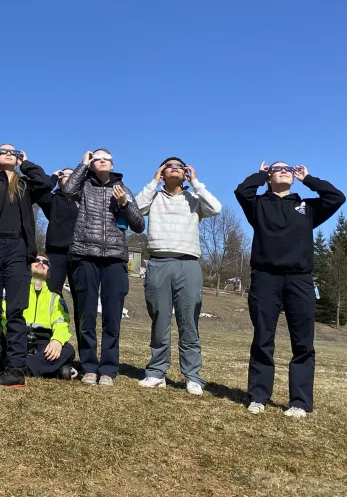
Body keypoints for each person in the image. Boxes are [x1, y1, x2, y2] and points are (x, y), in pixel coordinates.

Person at [236, 162, 345, 418]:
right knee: (263, 338)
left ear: (294, 178)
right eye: (276, 169)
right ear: (269, 177)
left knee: (303, 343)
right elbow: (242, 191)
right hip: (265, 279)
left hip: (300, 280)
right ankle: (258, 397)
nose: (283, 170)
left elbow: (336, 197)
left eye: (288, 168)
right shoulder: (258, 205)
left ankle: (300, 402)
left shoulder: (307, 207)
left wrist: (309, 179)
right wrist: (261, 175)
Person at [134, 158, 222, 396]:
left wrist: (196, 182)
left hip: (188, 263)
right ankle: (156, 372)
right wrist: (153, 181)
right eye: (168, 165)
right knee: (160, 319)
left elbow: (216, 208)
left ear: (186, 173)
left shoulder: (194, 199)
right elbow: (136, 209)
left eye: (179, 166)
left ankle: (193, 376)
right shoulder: (154, 197)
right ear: (161, 172)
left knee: (189, 321)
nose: (174, 167)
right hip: (159, 262)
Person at [0, 145, 52, 387]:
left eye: (12, 151)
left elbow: (46, 183)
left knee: (15, 311)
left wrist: (26, 164)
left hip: (18, 249)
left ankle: (15, 368)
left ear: (18, 157)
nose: (7, 153)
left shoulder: (25, 186)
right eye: (2, 150)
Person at [61, 149, 145, 386]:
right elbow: (67, 190)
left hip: (115, 258)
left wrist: (124, 203)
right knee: (86, 314)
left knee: (112, 317)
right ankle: (88, 366)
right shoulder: (83, 186)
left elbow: (139, 225)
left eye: (106, 158)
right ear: (91, 162)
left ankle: (108, 369)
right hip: (86, 254)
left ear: (112, 163)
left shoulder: (123, 189)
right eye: (97, 158)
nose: (102, 161)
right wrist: (82, 165)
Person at [36, 167, 84, 357]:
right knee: (49, 300)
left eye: (71, 174)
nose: (67, 177)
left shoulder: (84, 200)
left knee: (82, 306)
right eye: (63, 174)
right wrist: (53, 177)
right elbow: (39, 192)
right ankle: (44, 347)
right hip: (55, 255)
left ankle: (85, 357)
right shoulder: (52, 200)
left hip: (81, 254)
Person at [4, 255, 76, 379]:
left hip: (43, 342)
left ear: (49, 273)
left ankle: (23, 366)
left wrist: (57, 341)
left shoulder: (56, 298)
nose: (40, 263)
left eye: (45, 262)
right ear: (28, 267)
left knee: (68, 350)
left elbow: (62, 323)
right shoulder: (15, 291)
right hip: (17, 336)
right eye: (36, 260)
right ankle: (52, 369)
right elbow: (3, 316)